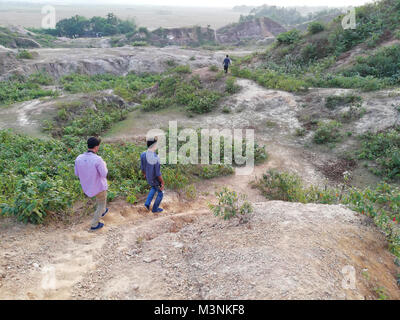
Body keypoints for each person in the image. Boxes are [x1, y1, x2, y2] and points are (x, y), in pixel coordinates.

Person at [74, 137, 109, 231]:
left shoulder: (79, 158)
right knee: (101, 204)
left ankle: (102, 211)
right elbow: (104, 174)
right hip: (99, 187)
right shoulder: (98, 159)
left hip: (87, 187)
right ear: (96, 147)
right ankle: (94, 224)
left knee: (100, 201)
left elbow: (76, 173)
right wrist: (104, 164)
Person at [141, 137, 165, 213]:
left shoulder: (143, 154)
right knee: (160, 193)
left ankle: (147, 204)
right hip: (155, 179)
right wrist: (162, 182)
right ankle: (155, 209)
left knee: (153, 188)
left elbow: (142, 167)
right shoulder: (156, 157)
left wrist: (145, 174)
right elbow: (158, 173)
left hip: (148, 177)